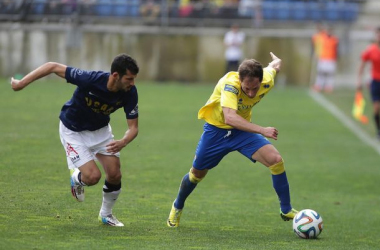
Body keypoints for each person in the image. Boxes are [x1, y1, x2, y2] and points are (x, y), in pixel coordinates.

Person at [167, 52, 298, 228]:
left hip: (242, 131)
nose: (251, 93)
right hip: (216, 132)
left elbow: (273, 68)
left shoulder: (267, 79)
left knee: (276, 160)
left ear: (261, 80)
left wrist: (276, 62)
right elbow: (230, 118)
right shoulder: (230, 85)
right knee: (197, 174)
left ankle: (286, 209)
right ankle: (177, 206)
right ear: (240, 80)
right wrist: (262, 130)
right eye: (247, 88)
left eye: (255, 88)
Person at [10, 54, 139, 227]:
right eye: (129, 79)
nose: (132, 83)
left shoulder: (130, 92)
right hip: (73, 130)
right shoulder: (90, 79)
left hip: (100, 132)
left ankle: (106, 215)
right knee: (93, 177)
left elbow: (133, 128)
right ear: (115, 75)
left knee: (115, 174)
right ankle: (76, 178)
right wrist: (21, 83)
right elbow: (52, 66)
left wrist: (123, 142)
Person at [357, 27, 380, 139]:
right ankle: (378, 131)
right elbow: (363, 63)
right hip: (375, 81)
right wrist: (359, 80)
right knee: (376, 107)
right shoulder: (371, 49)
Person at [312, 26, 339, 93]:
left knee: (330, 74)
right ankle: (319, 85)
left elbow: (337, 49)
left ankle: (329, 87)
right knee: (321, 73)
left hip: (331, 58)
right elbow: (315, 39)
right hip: (323, 58)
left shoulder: (334, 39)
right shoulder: (321, 38)